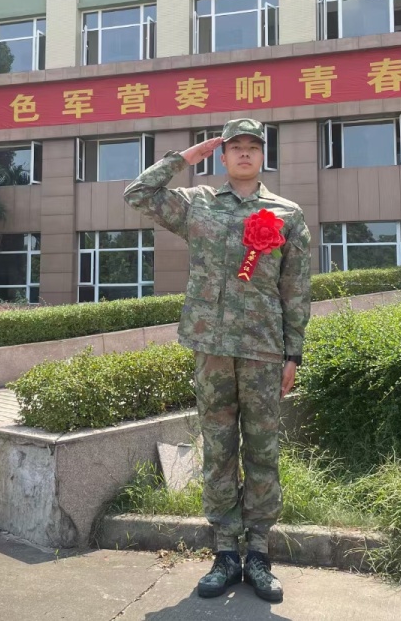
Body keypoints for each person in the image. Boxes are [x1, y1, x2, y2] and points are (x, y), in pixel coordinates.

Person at [123, 118, 312, 603]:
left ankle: (259, 553)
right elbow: (138, 194)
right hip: (211, 349)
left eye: (253, 147)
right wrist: (184, 159)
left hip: (264, 350)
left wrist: (293, 353)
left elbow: (295, 290)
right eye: (235, 147)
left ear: (263, 156)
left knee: (263, 452)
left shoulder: (286, 213)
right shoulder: (198, 204)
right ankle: (226, 552)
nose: (244, 154)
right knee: (219, 449)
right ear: (222, 156)